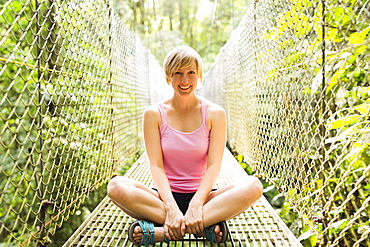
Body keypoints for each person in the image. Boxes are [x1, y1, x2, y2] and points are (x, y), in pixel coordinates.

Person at [107, 45, 263, 246]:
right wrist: (171, 207)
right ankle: (202, 227)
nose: (184, 80)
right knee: (116, 186)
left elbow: (214, 165)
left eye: (191, 73)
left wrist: (197, 204)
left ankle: (164, 232)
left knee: (253, 186)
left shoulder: (215, 113)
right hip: (162, 198)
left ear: (199, 76)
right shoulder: (153, 114)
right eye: (178, 73)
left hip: (205, 198)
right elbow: (156, 166)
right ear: (168, 76)